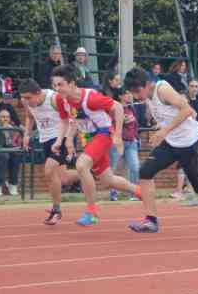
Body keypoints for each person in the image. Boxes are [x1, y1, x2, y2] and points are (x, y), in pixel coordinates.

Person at [124, 67, 198, 233]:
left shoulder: (162, 89)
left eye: (137, 91)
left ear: (147, 84)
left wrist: (163, 131)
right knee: (145, 172)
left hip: (189, 143)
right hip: (170, 143)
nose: (136, 96)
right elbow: (178, 111)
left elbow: (185, 109)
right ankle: (151, 220)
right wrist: (161, 127)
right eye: (132, 92)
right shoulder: (147, 97)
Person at [51, 64, 142, 226]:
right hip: (88, 138)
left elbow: (118, 107)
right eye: (54, 85)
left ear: (72, 84)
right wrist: (65, 140)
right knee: (107, 181)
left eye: (61, 85)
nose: (57, 89)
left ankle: (91, 211)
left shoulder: (91, 98)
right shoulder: (61, 100)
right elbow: (68, 121)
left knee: (81, 165)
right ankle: (139, 191)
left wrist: (118, 136)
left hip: (104, 134)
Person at [19, 79, 80, 224]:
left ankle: (56, 209)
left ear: (38, 93)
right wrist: (27, 135)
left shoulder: (53, 99)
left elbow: (72, 118)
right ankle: (88, 172)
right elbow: (29, 117)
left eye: (28, 97)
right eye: (23, 97)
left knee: (49, 170)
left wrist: (68, 140)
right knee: (63, 178)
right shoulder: (27, 102)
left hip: (61, 137)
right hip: (45, 139)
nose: (26, 101)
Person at [108, 87, 141, 201]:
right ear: (120, 96)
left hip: (131, 142)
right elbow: (109, 123)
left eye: (129, 93)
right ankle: (113, 193)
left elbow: (135, 125)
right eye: (126, 94)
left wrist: (137, 138)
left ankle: (134, 193)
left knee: (135, 167)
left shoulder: (132, 108)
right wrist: (120, 120)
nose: (129, 96)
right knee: (114, 168)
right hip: (118, 142)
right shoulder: (114, 108)